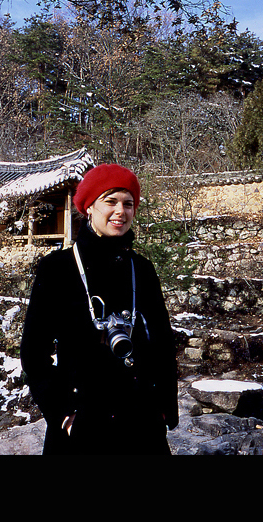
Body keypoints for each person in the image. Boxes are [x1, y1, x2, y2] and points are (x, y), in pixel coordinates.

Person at [20, 163, 179, 455]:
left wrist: (165, 409)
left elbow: (163, 344)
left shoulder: (141, 269)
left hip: (142, 424)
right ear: (89, 207)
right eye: (111, 201)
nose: (121, 211)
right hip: (83, 424)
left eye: (128, 204)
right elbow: (33, 353)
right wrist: (63, 414)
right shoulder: (57, 269)